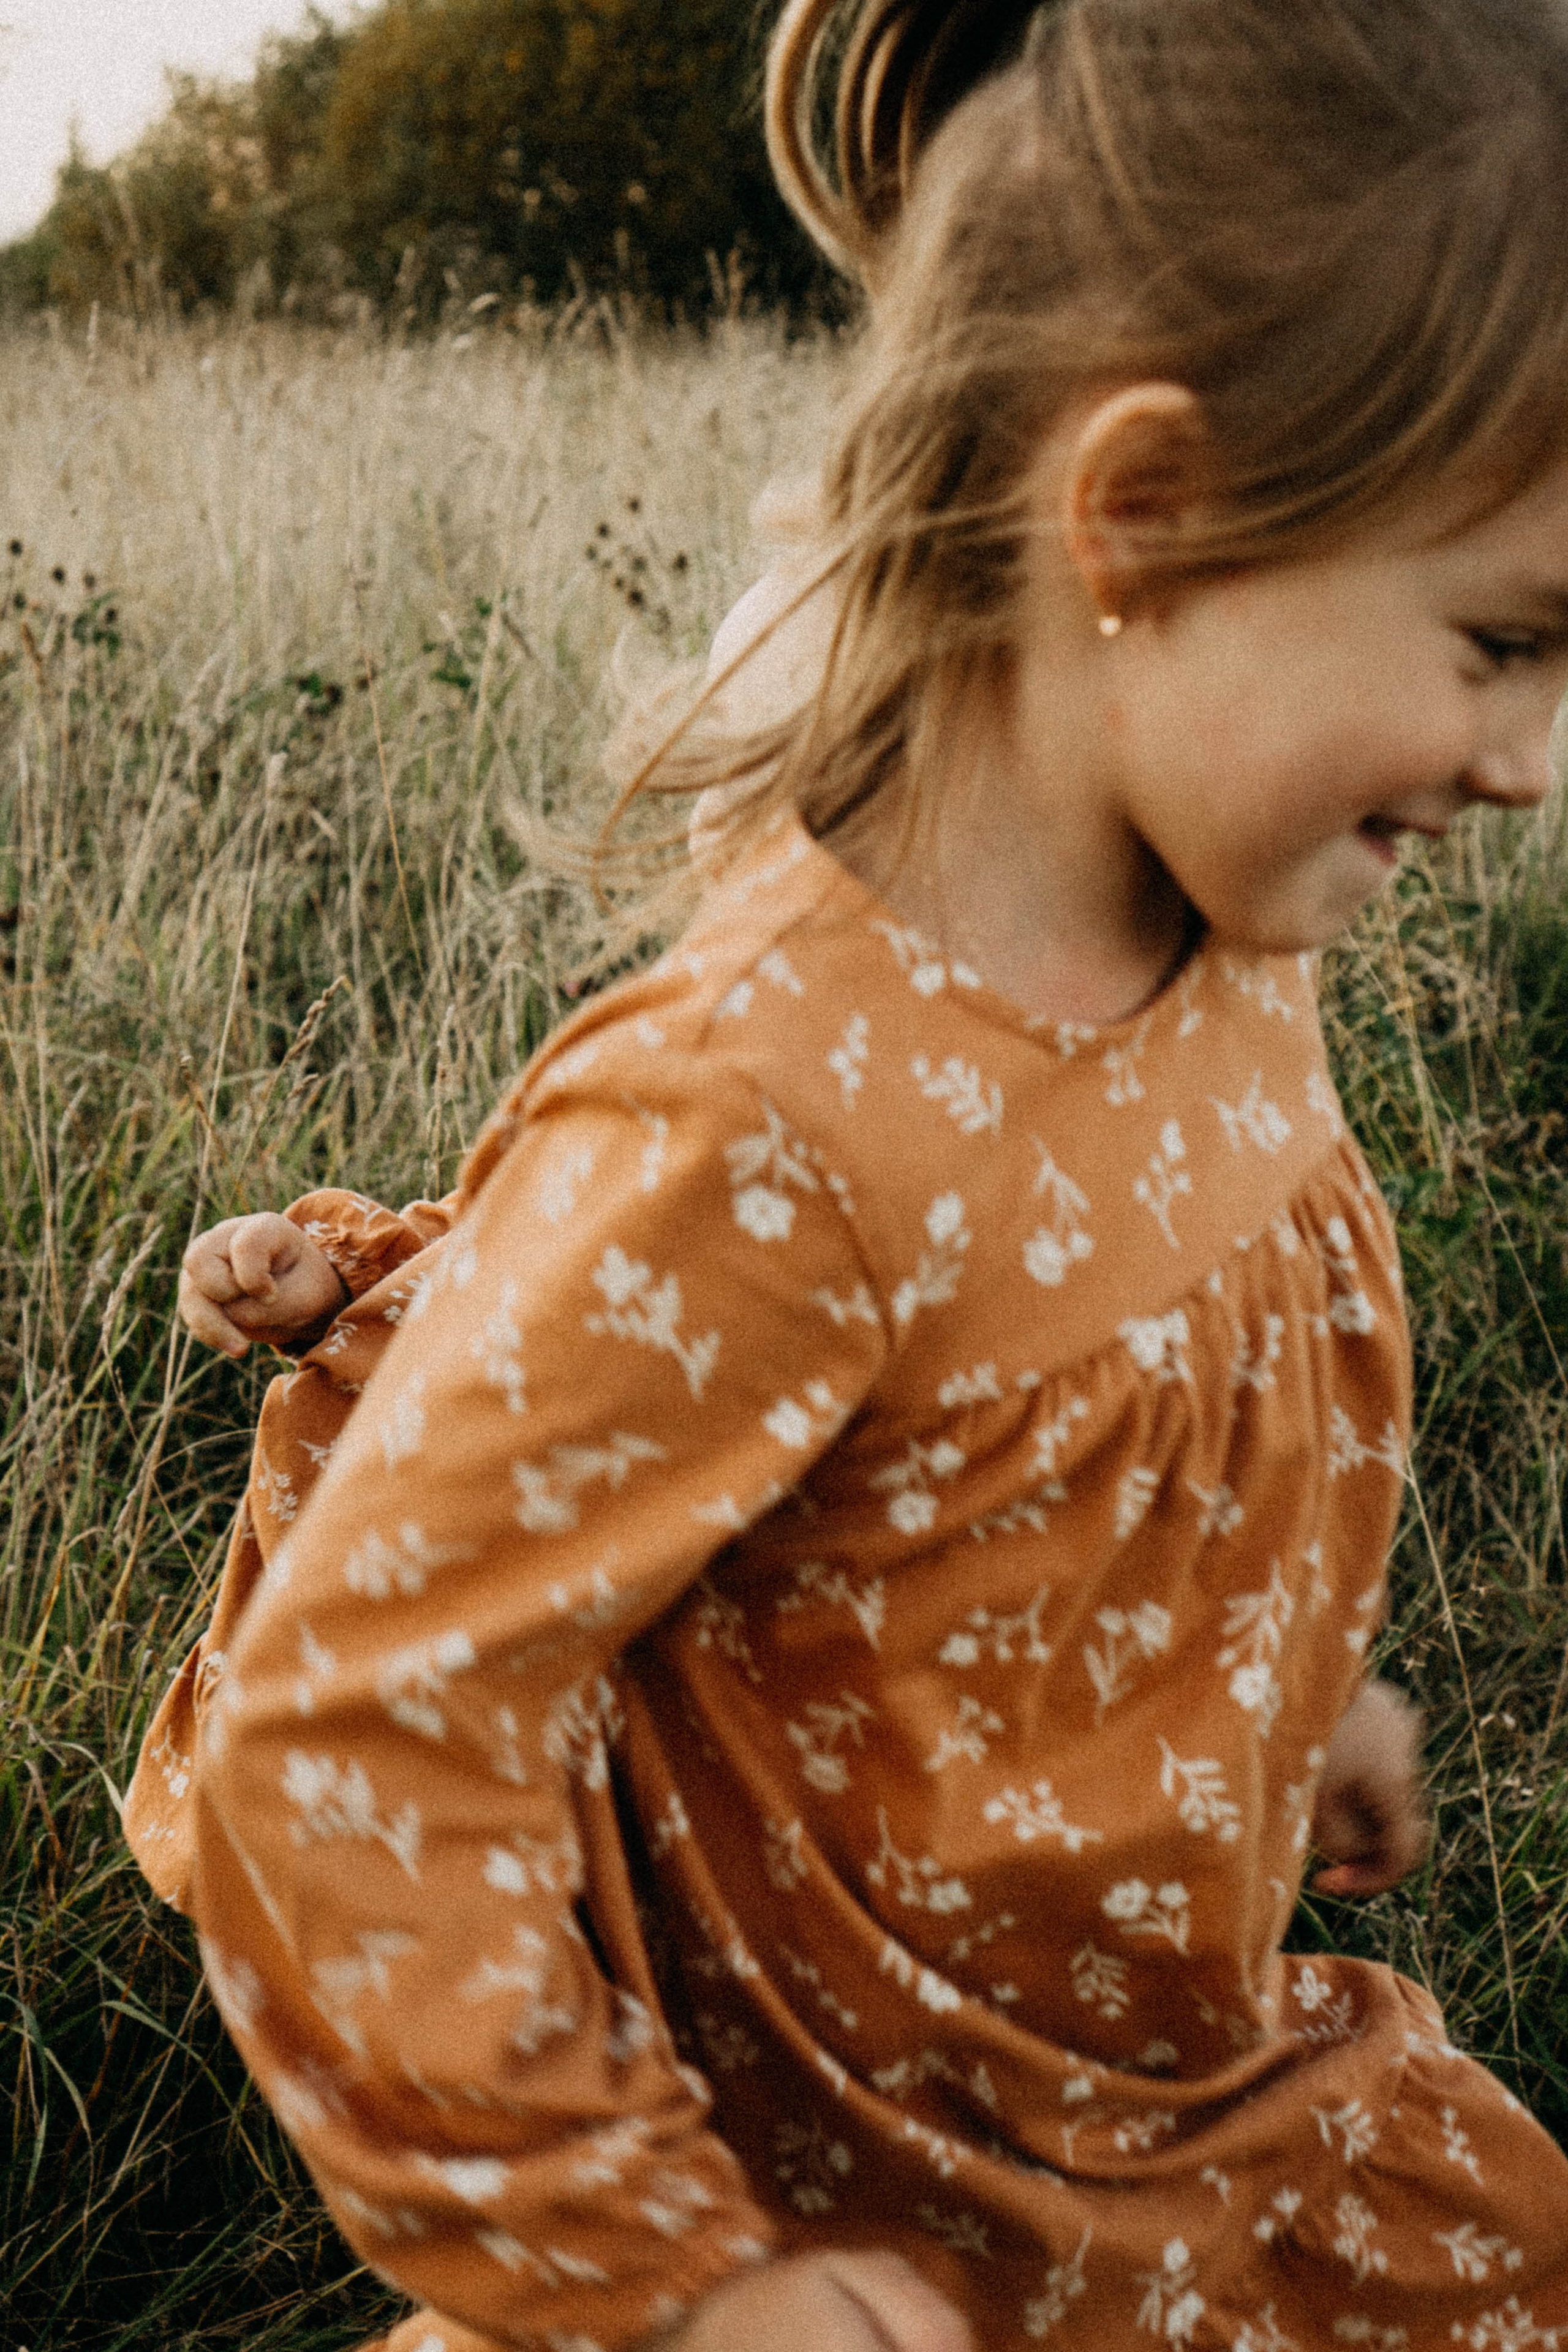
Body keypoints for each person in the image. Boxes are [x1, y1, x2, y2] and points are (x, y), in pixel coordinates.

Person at [124, 0, 1568, 2344]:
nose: (1529, 762)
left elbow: (1098, 1420)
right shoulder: (762, 1123)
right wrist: (684, 2291)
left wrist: (1288, 1698)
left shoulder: (1217, 925)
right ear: (1148, 512)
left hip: (1138, 2095)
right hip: (869, 2203)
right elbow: (355, 1738)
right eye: (1502, 642)